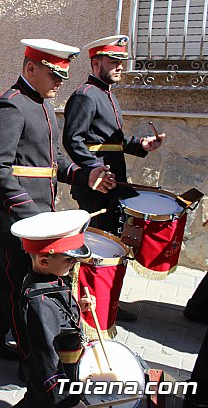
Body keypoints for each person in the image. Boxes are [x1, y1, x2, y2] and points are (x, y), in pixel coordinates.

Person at [0, 39, 114, 359]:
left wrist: (84, 175)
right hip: (14, 221)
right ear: (30, 68)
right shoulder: (9, 105)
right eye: (54, 75)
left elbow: (53, 161)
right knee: (18, 289)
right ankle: (33, 360)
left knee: (12, 283)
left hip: (37, 217)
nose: (60, 83)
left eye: (63, 77)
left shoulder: (43, 104)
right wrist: (31, 216)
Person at [63, 35, 165, 322]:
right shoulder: (85, 95)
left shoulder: (107, 93)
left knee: (112, 245)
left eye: (122, 61)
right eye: (114, 61)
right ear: (96, 63)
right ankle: (85, 304)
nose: (120, 66)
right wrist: (94, 169)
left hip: (113, 182)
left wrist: (141, 145)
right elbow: (73, 141)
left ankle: (105, 301)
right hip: (97, 184)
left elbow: (112, 140)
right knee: (97, 247)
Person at [10, 210, 94, 408]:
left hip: (66, 368)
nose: (75, 263)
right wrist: (67, 400)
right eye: (69, 260)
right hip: (55, 376)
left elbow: (58, 319)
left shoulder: (49, 278)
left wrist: (78, 308)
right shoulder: (40, 303)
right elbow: (46, 357)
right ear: (44, 261)